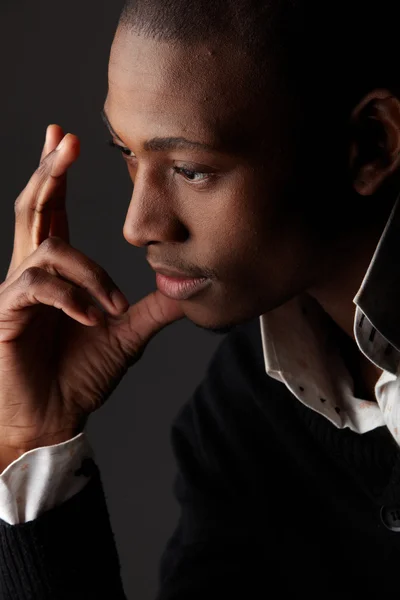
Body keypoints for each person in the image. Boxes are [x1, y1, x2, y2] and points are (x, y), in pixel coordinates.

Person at [1, 0, 400, 597]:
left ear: (369, 145)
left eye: (190, 169)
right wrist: (33, 441)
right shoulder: (244, 408)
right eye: (128, 154)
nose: (137, 226)